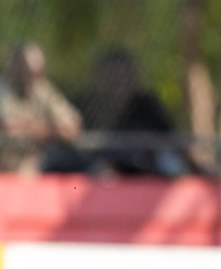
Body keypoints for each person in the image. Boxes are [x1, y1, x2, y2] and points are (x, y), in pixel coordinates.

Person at [77, 48, 189, 177]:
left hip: (147, 171)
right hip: (101, 173)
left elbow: (169, 140)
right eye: (111, 78)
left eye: (121, 78)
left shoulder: (148, 106)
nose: (117, 84)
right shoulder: (88, 106)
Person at [0, 42, 83, 174]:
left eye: (38, 73)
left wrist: (37, 129)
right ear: (13, 68)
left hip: (30, 170)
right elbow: (5, 128)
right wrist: (49, 130)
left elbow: (72, 127)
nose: (31, 78)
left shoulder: (42, 89)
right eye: (26, 72)